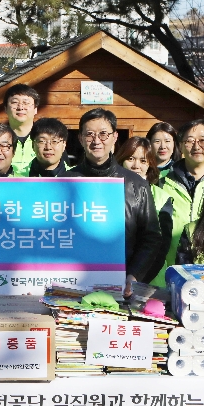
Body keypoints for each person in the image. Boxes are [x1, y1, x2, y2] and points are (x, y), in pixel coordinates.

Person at [70, 109, 162, 292]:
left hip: (120, 286)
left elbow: (151, 237)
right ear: (80, 139)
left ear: (114, 137)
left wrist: (133, 275)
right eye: (89, 134)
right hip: (71, 285)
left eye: (103, 134)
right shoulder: (65, 181)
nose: (97, 141)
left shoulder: (137, 185)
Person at [152, 118, 204, 277]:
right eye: (189, 141)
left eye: (203, 141)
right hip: (169, 272)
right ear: (180, 145)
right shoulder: (160, 182)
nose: (196, 146)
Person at [116, 136, 173, 264]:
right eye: (130, 159)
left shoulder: (162, 198)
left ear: (150, 164)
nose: (136, 166)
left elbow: (161, 246)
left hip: (149, 277)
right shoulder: (110, 190)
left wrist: (137, 276)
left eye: (143, 160)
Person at [4, 83, 40, 175]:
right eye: (15, 102)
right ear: (5, 108)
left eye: (26, 103)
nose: (20, 107)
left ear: (35, 109)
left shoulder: (46, 140)